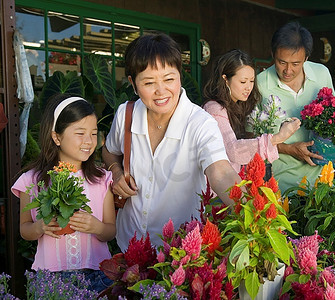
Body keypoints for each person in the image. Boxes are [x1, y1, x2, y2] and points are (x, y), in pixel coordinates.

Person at [102, 32, 241, 252]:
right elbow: (109, 151)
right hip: (128, 243)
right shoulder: (125, 115)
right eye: (149, 82)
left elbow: (221, 172)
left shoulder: (200, 123)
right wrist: (116, 172)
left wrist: (252, 214)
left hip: (177, 253)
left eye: (169, 79)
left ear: (180, 76)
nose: (161, 91)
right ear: (133, 83)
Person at [11, 94, 116, 293]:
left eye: (93, 133)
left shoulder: (102, 179)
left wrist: (96, 226)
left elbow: (111, 231)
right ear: (56, 137)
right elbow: (25, 230)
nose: (89, 141)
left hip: (96, 275)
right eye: (80, 133)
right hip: (51, 278)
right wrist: (40, 227)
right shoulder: (32, 180)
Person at [257, 21, 335, 192]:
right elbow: (251, 139)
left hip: (323, 181)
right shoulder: (260, 84)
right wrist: (290, 149)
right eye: (282, 62)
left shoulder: (321, 73)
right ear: (272, 54)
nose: (288, 70)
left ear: (306, 58)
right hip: (282, 184)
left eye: (295, 64)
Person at [203, 49, 301, 173]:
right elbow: (233, 150)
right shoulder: (214, 108)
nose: (248, 87)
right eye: (243, 82)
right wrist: (278, 137)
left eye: (252, 81)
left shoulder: (239, 106)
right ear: (225, 79)